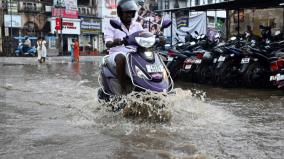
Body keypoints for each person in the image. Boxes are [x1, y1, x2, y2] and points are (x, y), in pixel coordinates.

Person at [104, 0, 143, 94]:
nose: (129, 15)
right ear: (120, 13)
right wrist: (114, 42)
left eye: (131, 13)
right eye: (126, 12)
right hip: (115, 55)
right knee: (121, 58)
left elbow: (144, 36)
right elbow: (107, 43)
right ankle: (123, 89)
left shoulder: (137, 25)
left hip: (134, 56)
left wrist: (158, 39)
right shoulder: (113, 24)